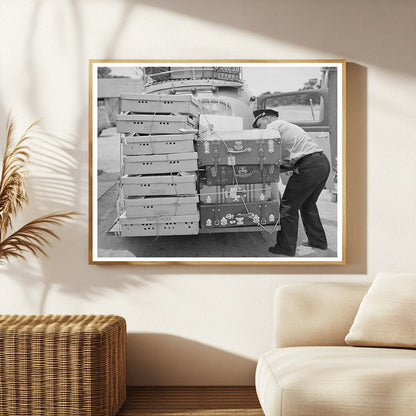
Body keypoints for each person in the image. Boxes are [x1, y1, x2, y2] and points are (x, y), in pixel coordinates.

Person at [252, 109, 330, 256]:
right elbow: (290, 154)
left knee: (288, 207)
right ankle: (318, 241)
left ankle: (285, 248)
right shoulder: (289, 127)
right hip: (321, 163)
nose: (260, 128)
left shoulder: (273, 126)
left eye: (259, 123)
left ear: (267, 119)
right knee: (308, 204)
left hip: (308, 166)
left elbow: (270, 151)